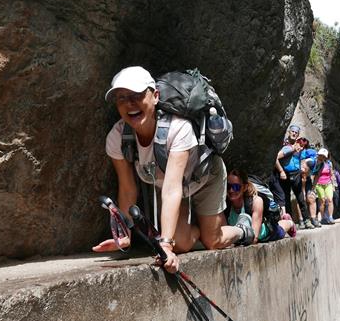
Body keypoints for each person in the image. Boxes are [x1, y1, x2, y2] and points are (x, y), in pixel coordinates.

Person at [93, 66, 255, 274]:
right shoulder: (117, 137)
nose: (129, 104)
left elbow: (172, 189)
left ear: (155, 96)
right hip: (170, 184)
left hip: (205, 177)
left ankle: (242, 228)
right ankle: (200, 228)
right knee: (181, 243)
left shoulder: (178, 128)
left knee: (213, 241)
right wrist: (125, 235)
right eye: (121, 98)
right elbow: (127, 188)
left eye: (137, 95)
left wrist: (166, 245)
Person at [225, 169, 296, 242]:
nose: (231, 190)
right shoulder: (225, 205)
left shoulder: (256, 202)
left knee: (280, 230)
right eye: (228, 186)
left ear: (244, 187)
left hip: (265, 233)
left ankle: (289, 222)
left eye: (236, 187)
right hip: (241, 237)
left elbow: (254, 238)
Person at [273, 138, 313, 229]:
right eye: (300, 145)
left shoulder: (301, 152)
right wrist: (281, 171)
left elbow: (302, 162)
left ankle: (307, 220)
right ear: (296, 143)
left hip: (296, 174)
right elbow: (277, 157)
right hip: (286, 175)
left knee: (300, 198)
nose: (301, 148)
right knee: (287, 199)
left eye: (303, 146)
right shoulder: (288, 149)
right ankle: (290, 222)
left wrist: (302, 171)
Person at [312, 148, 335, 225]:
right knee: (322, 201)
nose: (322, 157)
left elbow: (331, 174)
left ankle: (331, 217)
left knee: (330, 199)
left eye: (324, 156)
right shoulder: (315, 163)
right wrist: (313, 187)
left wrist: (333, 185)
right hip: (319, 184)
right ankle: (322, 217)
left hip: (328, 183)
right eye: (321, 155)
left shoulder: (329, 163)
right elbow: (315, 175)